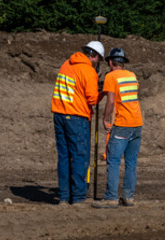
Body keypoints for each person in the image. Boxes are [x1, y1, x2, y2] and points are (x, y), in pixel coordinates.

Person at [51, 41, 104, 206]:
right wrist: (101, 89)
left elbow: (76, 88)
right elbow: (93, 99)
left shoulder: (66, 64)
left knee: (64, 157)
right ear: (94, 56)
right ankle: (80, 197)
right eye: (98, 59)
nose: (97, 63)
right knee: (80, 157)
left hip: (59, 115)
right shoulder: (88, 71)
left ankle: (64, 197)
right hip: (76, 117)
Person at [93, 48, 143, 209]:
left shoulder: (111, 76)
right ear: (123, 63)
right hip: (137, 123)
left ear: (110, 62)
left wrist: (105, 119)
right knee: (131, 163)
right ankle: (128, 197)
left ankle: (111, 198)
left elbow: (111, 101)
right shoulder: (132, 75)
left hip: (123, 124)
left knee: (113, 161)